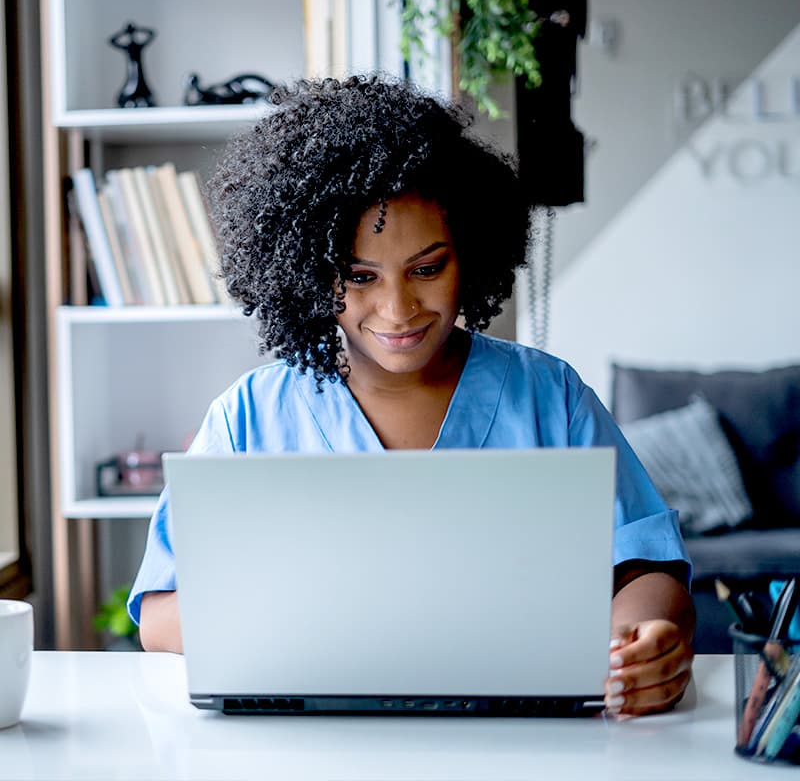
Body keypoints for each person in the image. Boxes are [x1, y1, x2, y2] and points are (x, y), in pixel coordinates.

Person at [128, 75, 695, 717]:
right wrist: (318, 616)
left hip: (522, 749)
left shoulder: (550, 396)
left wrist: (643, 641)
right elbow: (160, 614)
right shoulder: (247, 418)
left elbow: (647, 569)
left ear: (472, 254)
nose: (397, 309)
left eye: (427, 268)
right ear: (308, 274)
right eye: (359, 277)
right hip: (311, 754)